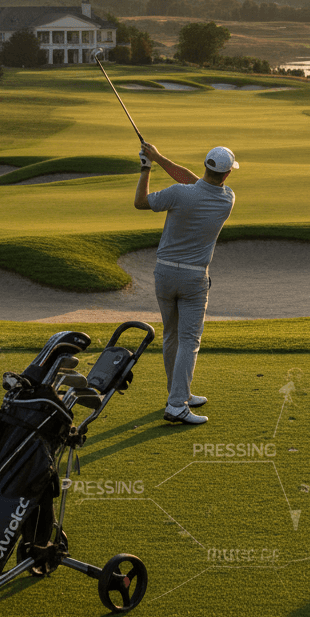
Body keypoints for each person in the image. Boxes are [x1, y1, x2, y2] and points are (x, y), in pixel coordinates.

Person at [134, 141, 238, 424]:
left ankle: (178, 392)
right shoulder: (227, 198)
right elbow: (195, 182)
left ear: (206, 166)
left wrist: (148, 166)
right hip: (193, 278)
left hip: (164, 274)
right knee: (189, 340)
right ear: (227, 175)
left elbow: (141, 202)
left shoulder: (180, 194)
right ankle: (177, 404)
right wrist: (159, 158)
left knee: (172, 336)